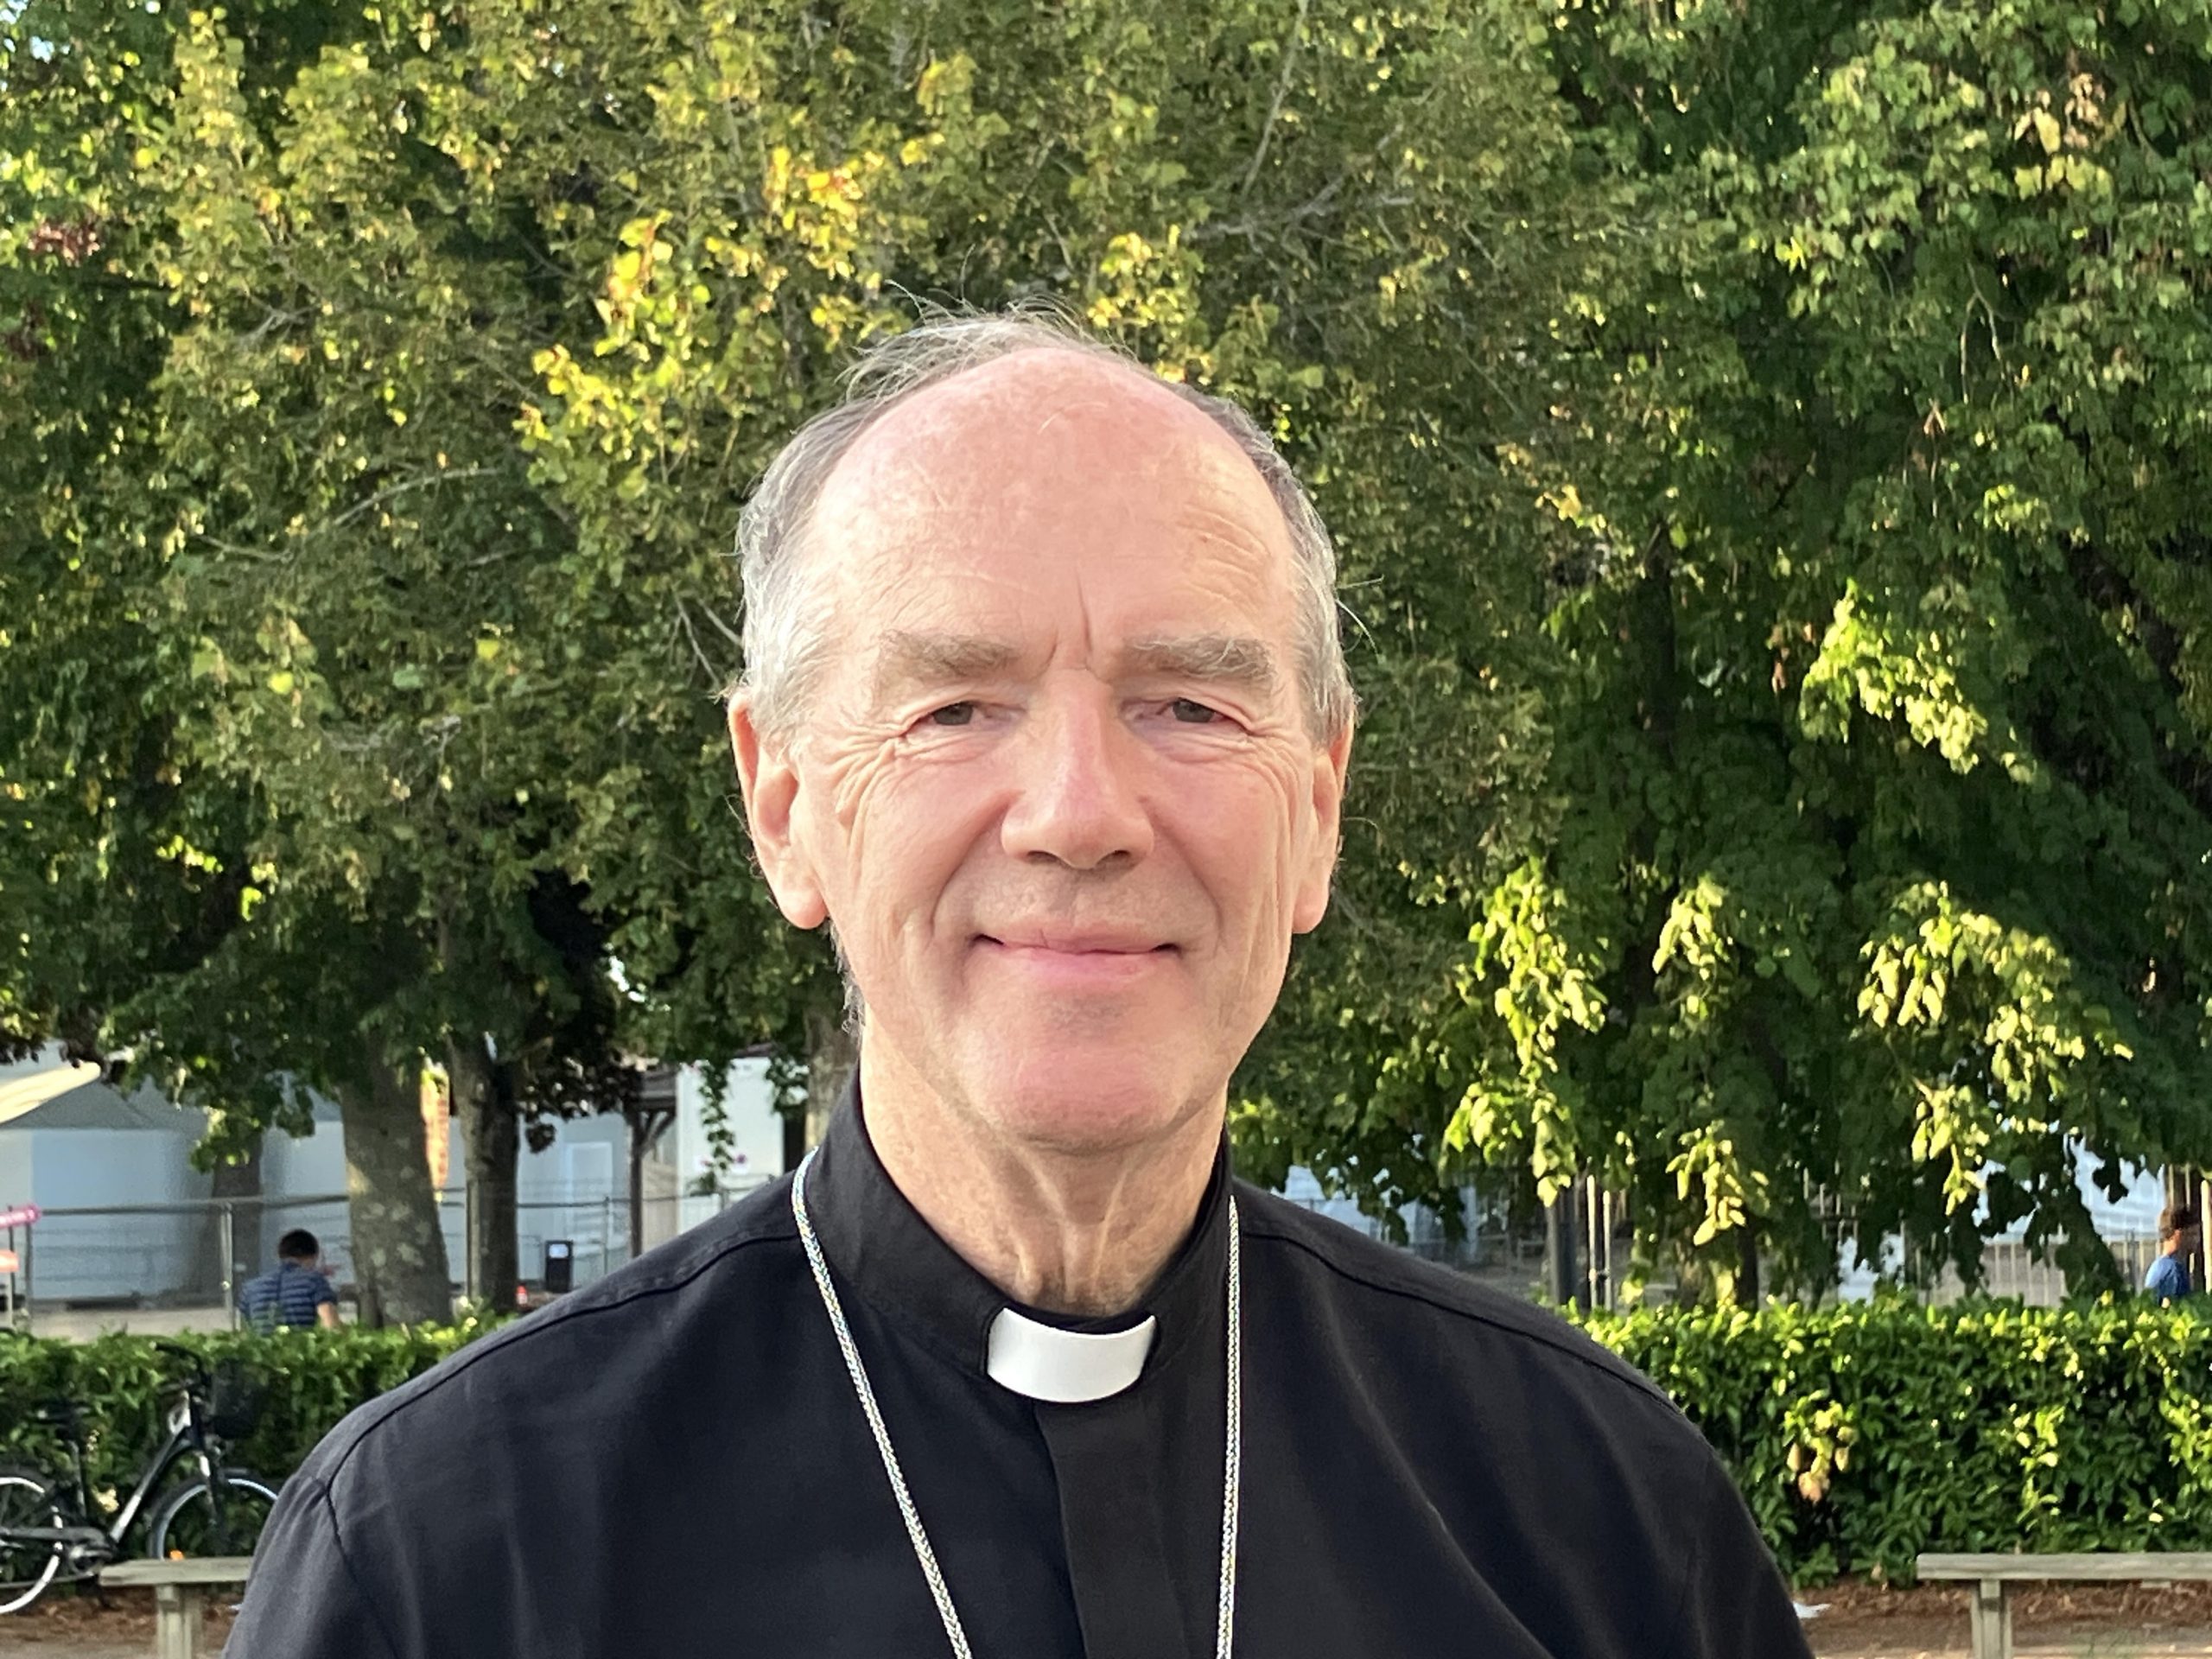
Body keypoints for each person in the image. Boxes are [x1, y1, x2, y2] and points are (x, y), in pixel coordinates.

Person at [226, 311, 1812, 1657]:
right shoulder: (447, 1562)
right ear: (785, 805)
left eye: (1188, 704)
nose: (1079, 813)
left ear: (1318, 805)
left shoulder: (1603, 1525)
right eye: (954, 707)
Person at [237, 1228, 341, 1333]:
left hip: (261, 1348)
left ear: (279, 1255)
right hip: (300, 1347)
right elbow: (330, 1325)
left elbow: (244, 1332)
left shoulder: (250, 1288)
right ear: (314, 1256)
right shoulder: (314, 1281)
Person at [2146, 1204, 2199, 1303]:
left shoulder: (2159, 1266)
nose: (2197, 1240)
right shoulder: (2173, 1269)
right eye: (2193, 1234)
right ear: (2178, 1234)